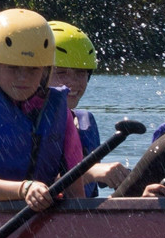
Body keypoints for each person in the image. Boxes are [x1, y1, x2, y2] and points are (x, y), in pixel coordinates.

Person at [0, 8, 85, 211]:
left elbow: (76, 192)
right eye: (13, 68)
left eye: (32, 69)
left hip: (42, 219)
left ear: (45, 71)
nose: (23, 78)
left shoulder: (60, 112)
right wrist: (25, 189)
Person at [47, 21, 129, 196]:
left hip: (75, 220)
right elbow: (34, 185)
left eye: (80, 73)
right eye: (61, 72)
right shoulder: (21, 125)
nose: (73, 82)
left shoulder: (84, 122)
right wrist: (90, 172)